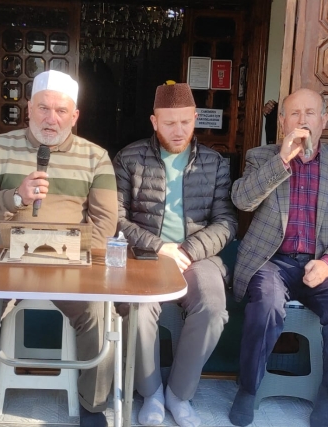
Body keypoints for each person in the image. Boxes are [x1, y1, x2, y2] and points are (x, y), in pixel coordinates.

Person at [0, 70, 118, 427]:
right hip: (5, 264)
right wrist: (15, 197)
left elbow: (106, 227)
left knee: (98, 312)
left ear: (75, 116)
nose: (51, 118)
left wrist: (61, 250)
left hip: (71, 267)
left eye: (61, 111)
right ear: (28, 109)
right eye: (43, 108)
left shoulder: (96, 157)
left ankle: (92, 405)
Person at [228, 88, 328, 427]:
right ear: (282, 122)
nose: (302, 120)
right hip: (271, 262)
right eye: (294, 113)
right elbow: (242, 200)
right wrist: (282, 161)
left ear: (323, 121)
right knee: (265, 305)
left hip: (321, 264)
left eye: (310, 113)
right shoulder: (261, 157)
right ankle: (248, 388)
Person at [114, 81, 236, 427]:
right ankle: (151, 392)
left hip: (197, 257)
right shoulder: (129, 158)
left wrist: (188, 250)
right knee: (138, 309)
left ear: (195, 118)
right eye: (169, 123)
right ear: (154, 122)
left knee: (213, 308)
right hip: (145, 256)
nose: (178, 130)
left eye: (185, 121)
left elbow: (227, 222)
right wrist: (158, 246)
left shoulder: (214, 163)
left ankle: (179, 394)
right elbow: (115, 219)